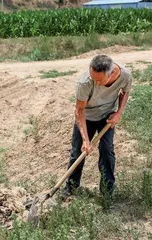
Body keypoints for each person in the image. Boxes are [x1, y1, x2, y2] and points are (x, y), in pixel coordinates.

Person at [62, 54, 132, 204]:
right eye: (93, 78)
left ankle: (107, 192)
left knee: (107, 152)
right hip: (86, 117)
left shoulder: (124, 75)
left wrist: (118, 113)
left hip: (107, 116)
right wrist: (86, 140)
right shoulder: (85, 82)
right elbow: (79, 111)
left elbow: (124, 92)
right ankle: (71, 187)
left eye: (99, 80)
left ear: (111, 73)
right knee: (77, 152)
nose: (95, 82)